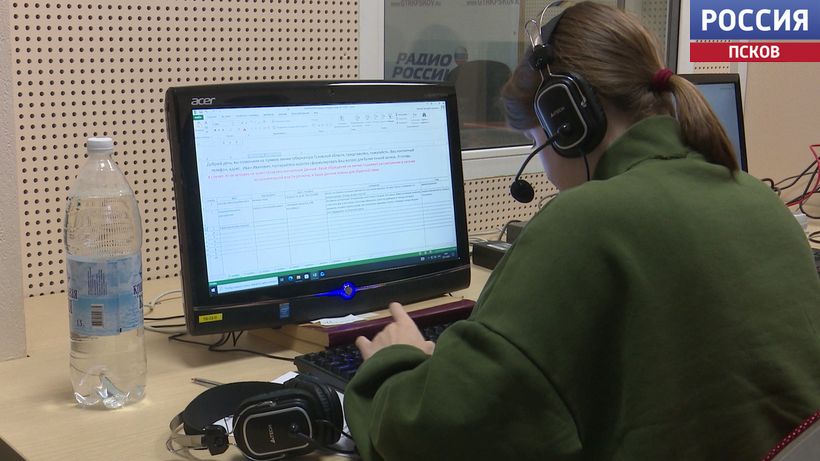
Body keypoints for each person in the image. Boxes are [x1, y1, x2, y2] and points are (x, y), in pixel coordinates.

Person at [342, 2, 820, 460]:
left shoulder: (586, 221)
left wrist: (395, 362)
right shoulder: (759, 200)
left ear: (566, 121)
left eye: (537, 142)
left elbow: (442, 432)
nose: (548, 173)